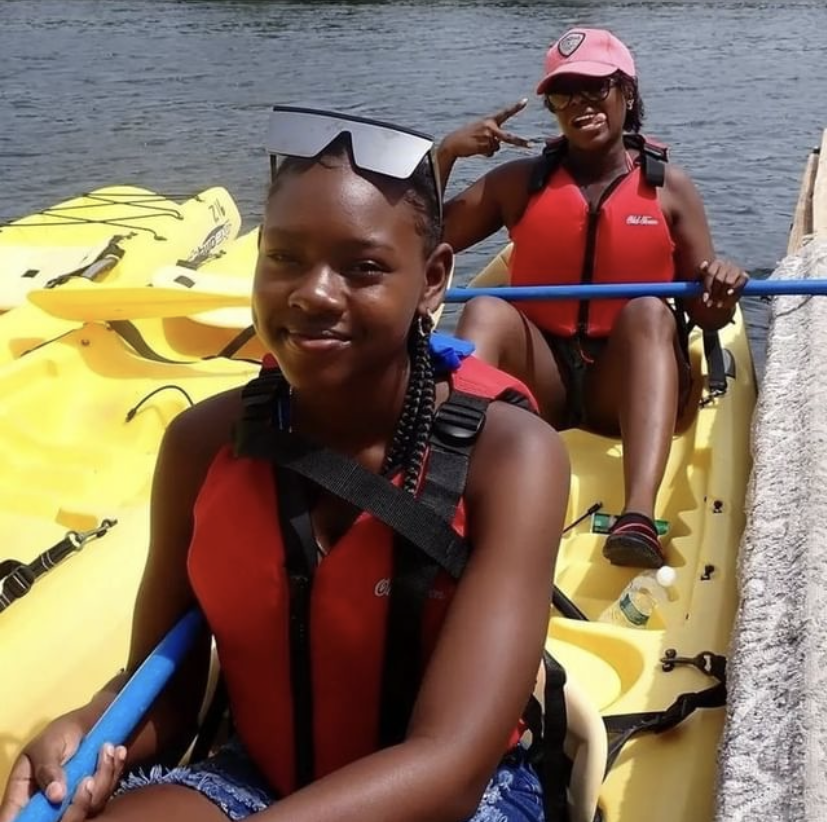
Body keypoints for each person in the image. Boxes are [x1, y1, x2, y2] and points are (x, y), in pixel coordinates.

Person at [0, 107, 569, 822]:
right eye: (283, 258)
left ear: (431, 281)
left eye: (362, 268)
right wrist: (89, 727)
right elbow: (166, 695)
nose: (312, 293)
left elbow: (450, 763)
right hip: (257, 779)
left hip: (455, 800)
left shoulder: (512, 458)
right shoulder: (198, 445)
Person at [436, 27, 749, 569]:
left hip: (624, 389)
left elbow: (700, 309)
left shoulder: (671, 190)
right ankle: (441, 487)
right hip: (543, 386)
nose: (579, 105)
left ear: (626, 91)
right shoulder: (518, 183)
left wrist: (718, 292)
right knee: (486, 307)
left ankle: (638, 518)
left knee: (649, 310)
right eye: (562, 95)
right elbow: (422, 242)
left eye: (595, 89)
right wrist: (446, 156)